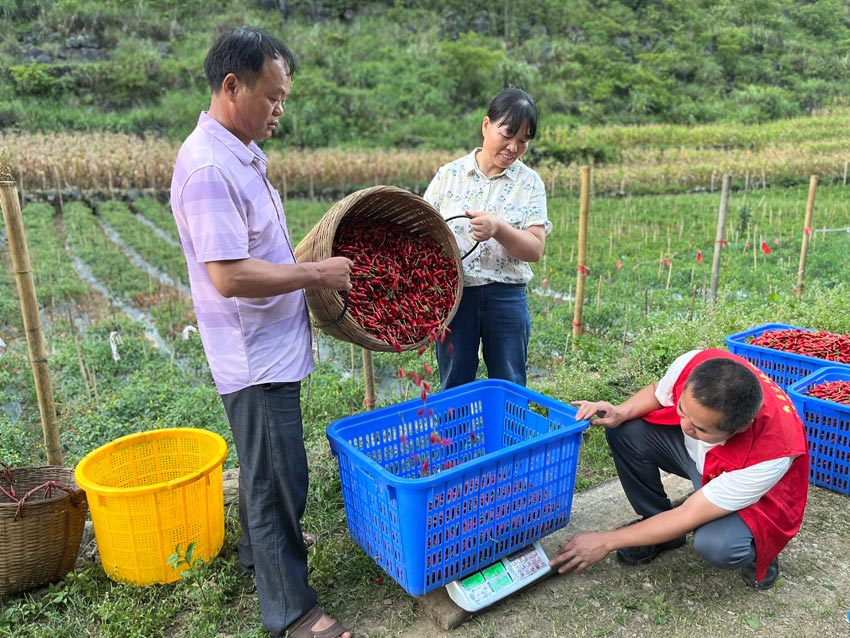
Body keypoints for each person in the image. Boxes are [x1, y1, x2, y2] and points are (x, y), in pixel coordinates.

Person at [170, 27, 353, 638]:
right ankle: (293, 614)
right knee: (279, 481)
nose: (280, 110)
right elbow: (228, 275)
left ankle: (258, 554)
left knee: (264, 471)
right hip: (254, 359)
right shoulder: (208, 168)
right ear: (231, 86)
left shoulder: (239, 152)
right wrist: (316, 273)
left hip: (271, 349)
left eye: (283, 98)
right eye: (272, 97)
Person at [549, 348, 809, 590]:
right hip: (707, 459)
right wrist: (621, 411)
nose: (684, 426)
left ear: (739, 428)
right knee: (626, 431)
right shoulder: (697, 364)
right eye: (682, 412)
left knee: (718, 545)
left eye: (700, 428)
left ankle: (761, 548)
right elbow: (658, 392)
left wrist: (607, 540)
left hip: (752, 484)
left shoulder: (772, 453)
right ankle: (658, 531)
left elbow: (687, 515)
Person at [423, 87, 551, 390]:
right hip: (457, 296)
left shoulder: (529, 183)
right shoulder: (450, 175)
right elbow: (423, 232)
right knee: (455, 380)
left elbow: (534, 249)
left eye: (523, 141)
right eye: (507, 135)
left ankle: (507, 438)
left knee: (510, 380)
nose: (513, 147)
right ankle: (456, 438)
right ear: (486, 125)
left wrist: (498, 228)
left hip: (506, 296)